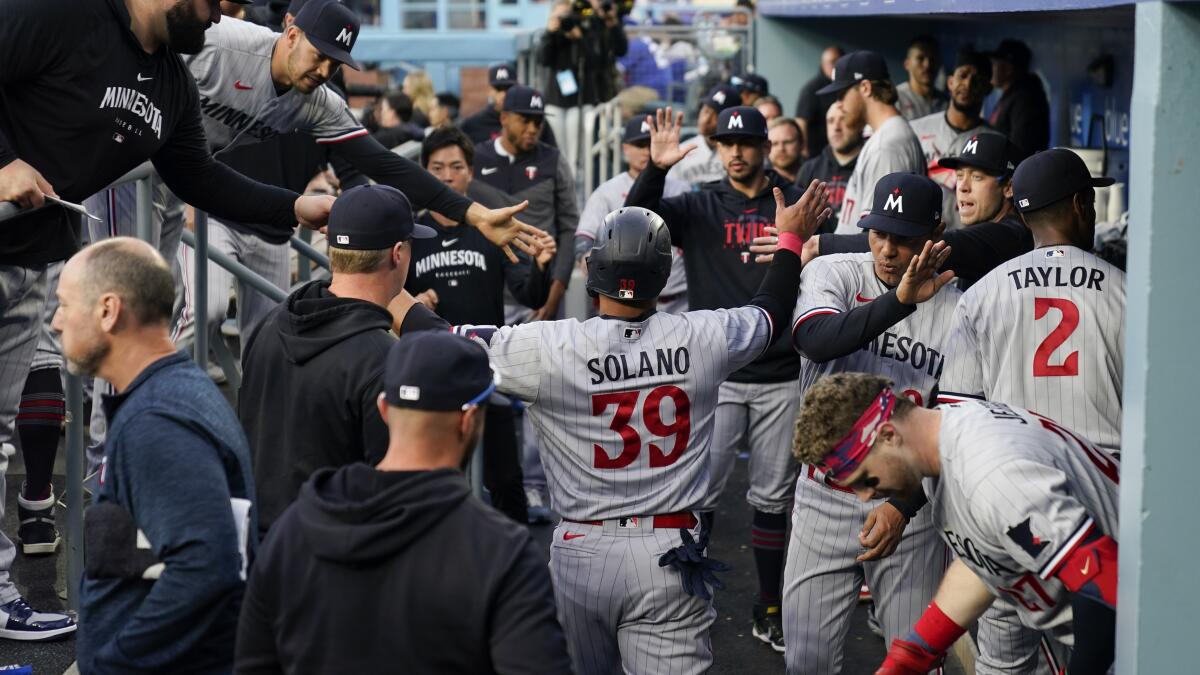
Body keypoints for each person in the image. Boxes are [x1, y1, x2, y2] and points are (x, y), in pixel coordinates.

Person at [389, 179, 828, 674]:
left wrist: (384, 284)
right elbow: (769, 314)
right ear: (663, 274)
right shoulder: (704, 335)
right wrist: (790, 239)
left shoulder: (549, 346)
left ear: (593, 269)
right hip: (670, 550)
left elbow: (442, 339)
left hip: (581, 551)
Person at [0, 0, 335, 640]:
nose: (220, 18)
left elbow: (201, 177)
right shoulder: (63, 15)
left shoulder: (173, 83)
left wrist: (295, 206)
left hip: (30, 262)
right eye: (216, 4)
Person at [180, 0, 542, 344]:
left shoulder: (317, 102)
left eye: (334, 63)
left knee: (265, 338)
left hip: (189, 180)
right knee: (203, 311)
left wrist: (474, 214)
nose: (323, 71)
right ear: (291, 34)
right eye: (319, 55)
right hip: (147, 168)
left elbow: (386, 165)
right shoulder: (222, 41)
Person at [234, 332, 574, 675]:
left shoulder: (291, 533)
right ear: (469, 421)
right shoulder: (502, 554)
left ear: (383, 409)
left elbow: (253, 664)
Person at [626, 106, 809, 653]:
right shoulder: (702, 202)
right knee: (698, 494)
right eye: (726, 142)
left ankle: (769, 606)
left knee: (773, 499)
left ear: (763, 145)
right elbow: (634, 220)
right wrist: (656, 170)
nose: (736, 152)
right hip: (718, 373)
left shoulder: (792, 201)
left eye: (746, 142)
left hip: (780, 370)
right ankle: (687, 598)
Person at [936, 149, 1124, 673]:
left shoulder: (983, 295)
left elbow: (957, 415)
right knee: (1099, 651)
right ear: (1083, 206)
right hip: (1100, 508)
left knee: (1004, 660)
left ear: (1020, 214)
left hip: (1007, 508)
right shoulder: (1127, 293)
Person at [794, 373, 1120, 675]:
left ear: (889, 435)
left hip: (1148, 635)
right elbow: (988, 557)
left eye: (865, 478)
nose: (865, 497)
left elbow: (1101, 582)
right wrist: (914, 654)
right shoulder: (949, 444)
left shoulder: (990, 473)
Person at [781, 173, 960, 674]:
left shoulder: (958, 306)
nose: (886, 248)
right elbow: (815, 339)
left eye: (903, 238)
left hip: (907, 503)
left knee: (914, 663)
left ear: (935, 233)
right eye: (879, 232)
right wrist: (898, 302)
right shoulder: (835, 271)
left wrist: (904, 507)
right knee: (807, 663)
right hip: (824, 492)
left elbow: (955, 418)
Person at [57, 238, 255, 671]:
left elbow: (206, 565)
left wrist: (117, 661)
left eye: (65, 304)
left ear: (108, 310)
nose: (56, 322)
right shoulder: (168, 396)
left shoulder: (157, 420)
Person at [238, 184, 435, 536]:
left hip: (265, 556)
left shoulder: (268, 326)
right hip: (336, 563)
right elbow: (392, 498)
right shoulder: (385, 360)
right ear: (397, 254)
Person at [406, 127, 556, 523]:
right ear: (424, 172)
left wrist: (541, 266)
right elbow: (386, 297)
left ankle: (517, 571)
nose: (447, 176)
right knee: (440, 486)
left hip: (488, 374)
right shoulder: (411, 235)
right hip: (434, 376)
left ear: (470, 172)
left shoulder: (487, 228)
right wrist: (411, 303)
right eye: (436, 167)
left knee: (506, 483)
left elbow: (530, 296)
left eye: (456, 167)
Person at [805, 132, 1033, 290]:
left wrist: (820, 245)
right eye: (960, 175)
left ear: (1009, 187)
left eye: (977, 177)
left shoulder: (1013, 234)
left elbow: (941, 246)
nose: (963, 187)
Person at [472, 85, 578, 323]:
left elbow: (570, 227)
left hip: (542, 290)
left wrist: (556, 292)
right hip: (490, 292)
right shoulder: (475, 160)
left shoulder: (554, 161)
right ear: (504, 118)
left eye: (538, 122)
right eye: (525, 120)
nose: (533, 129)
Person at [575, 117, 690, 313]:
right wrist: (589, 261)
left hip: (678, 302)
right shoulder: (607, 192)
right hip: (625, 302)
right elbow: (584, 240)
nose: (647, 150)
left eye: (650, 143)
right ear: (625, 149)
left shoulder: (682, 189)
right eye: (640, 144)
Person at [816, 51, 925, 233]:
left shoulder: (887, 145)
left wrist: (818, 245)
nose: (839, 104)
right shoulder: (885, 136)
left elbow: (878, 236)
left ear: (865, 88)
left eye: (842, 94)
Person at [538, 0, 628, 168]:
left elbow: (596, 60)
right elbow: (543, 59)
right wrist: (550, 33)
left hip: (581, 99)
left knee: (577, 153)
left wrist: (579, 37)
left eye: (568, 15)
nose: (566, 20)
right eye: (561, 16)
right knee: (557, 150)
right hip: (556, 99)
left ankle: (577, 187)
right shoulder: (553, 36)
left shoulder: (588, 29)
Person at [910, 48, 993, 230]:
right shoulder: (915, 129)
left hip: (968, 238)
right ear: (950, 82)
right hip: (919, 235)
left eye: (977, 80)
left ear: (988, 89)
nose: (968, 84)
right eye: (962, 75)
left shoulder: (994, 142)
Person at [796, 101, 864, 232]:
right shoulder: (809, 169)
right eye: (831, 121)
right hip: (816, 249)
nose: (836, 127)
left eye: (843, 120)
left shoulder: (869, 165)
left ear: (860, 125)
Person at [459, 63, 558, 147]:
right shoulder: (472, 125)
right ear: (490, 91)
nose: (503, 94)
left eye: (508, 88)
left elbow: (552, 155)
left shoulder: (535, 120)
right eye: (498, 89)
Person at [666, 84, 743, 187]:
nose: (706, 120)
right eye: (705, 111)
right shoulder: (682, 150)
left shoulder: (739, 153)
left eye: (715, 115)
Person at [988, 39, 1050, 160]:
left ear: (1008, 69)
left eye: (995, 64)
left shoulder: (1026, 98)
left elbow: (1021, 148)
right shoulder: (1012, 94)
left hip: (1019, 176)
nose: (991, 69)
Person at [794, 45, 844, 159]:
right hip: (817, 153)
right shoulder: (812, 89)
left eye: (838, 62)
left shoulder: (845, 87)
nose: (835, 66)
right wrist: (803, 150)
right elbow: (801, 122)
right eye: (831, 62)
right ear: (822, 65)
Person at [895, 36, 948, 121]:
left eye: (932, 59)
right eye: (920, 58)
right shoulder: (895, 99)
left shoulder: (947, 103)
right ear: (907, 64)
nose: (927, 65)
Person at [767, 117, 804, 184]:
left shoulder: (817, 175)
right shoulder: (761, 184)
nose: (781, 149)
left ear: (801, 143)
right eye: (774, 144)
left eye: (787, 142)